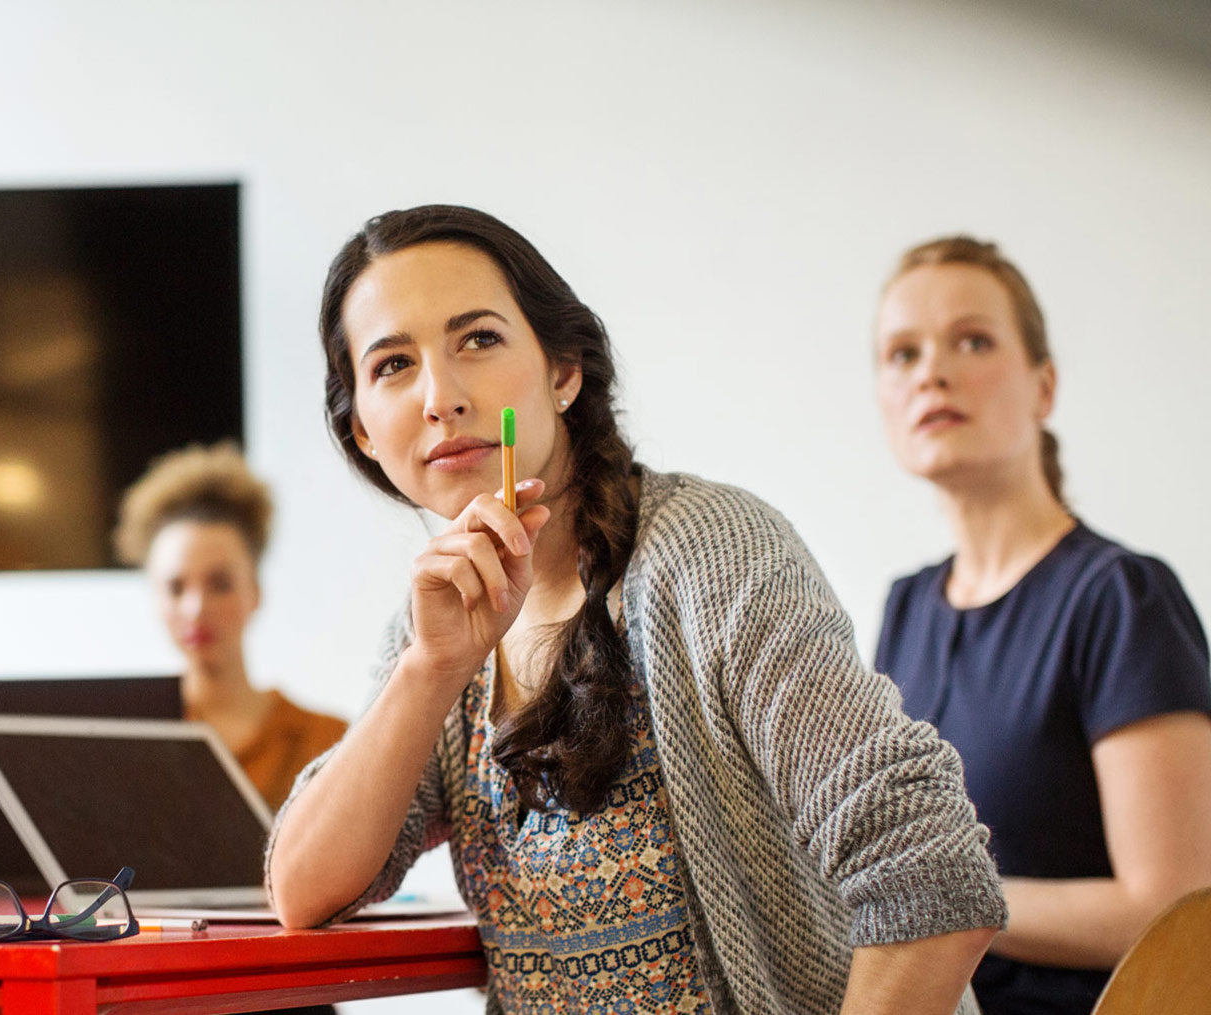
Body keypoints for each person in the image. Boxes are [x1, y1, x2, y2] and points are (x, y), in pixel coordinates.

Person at [266, 205, 1006, 1015]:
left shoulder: (709, 551)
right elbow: (303, 889)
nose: (440, 396)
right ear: (364, 433)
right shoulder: (439, 626)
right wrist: (429, 668)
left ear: (563, 371)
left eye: (477, 339)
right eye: (393, 364)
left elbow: (930, 863)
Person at [870, 236, 1211, 1014]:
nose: (932, 371)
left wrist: (944, 898)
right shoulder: (905, 609)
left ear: (1044, 386)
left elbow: (1175, 906)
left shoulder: (1122, 598)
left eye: (974, 340)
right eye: (902, 354)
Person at [115, 441, 348, 810]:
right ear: (155, 599)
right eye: (175, 588)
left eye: (220, 584)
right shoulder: (125, 741)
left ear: (254, 592)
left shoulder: (328, 741)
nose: (196, 608)